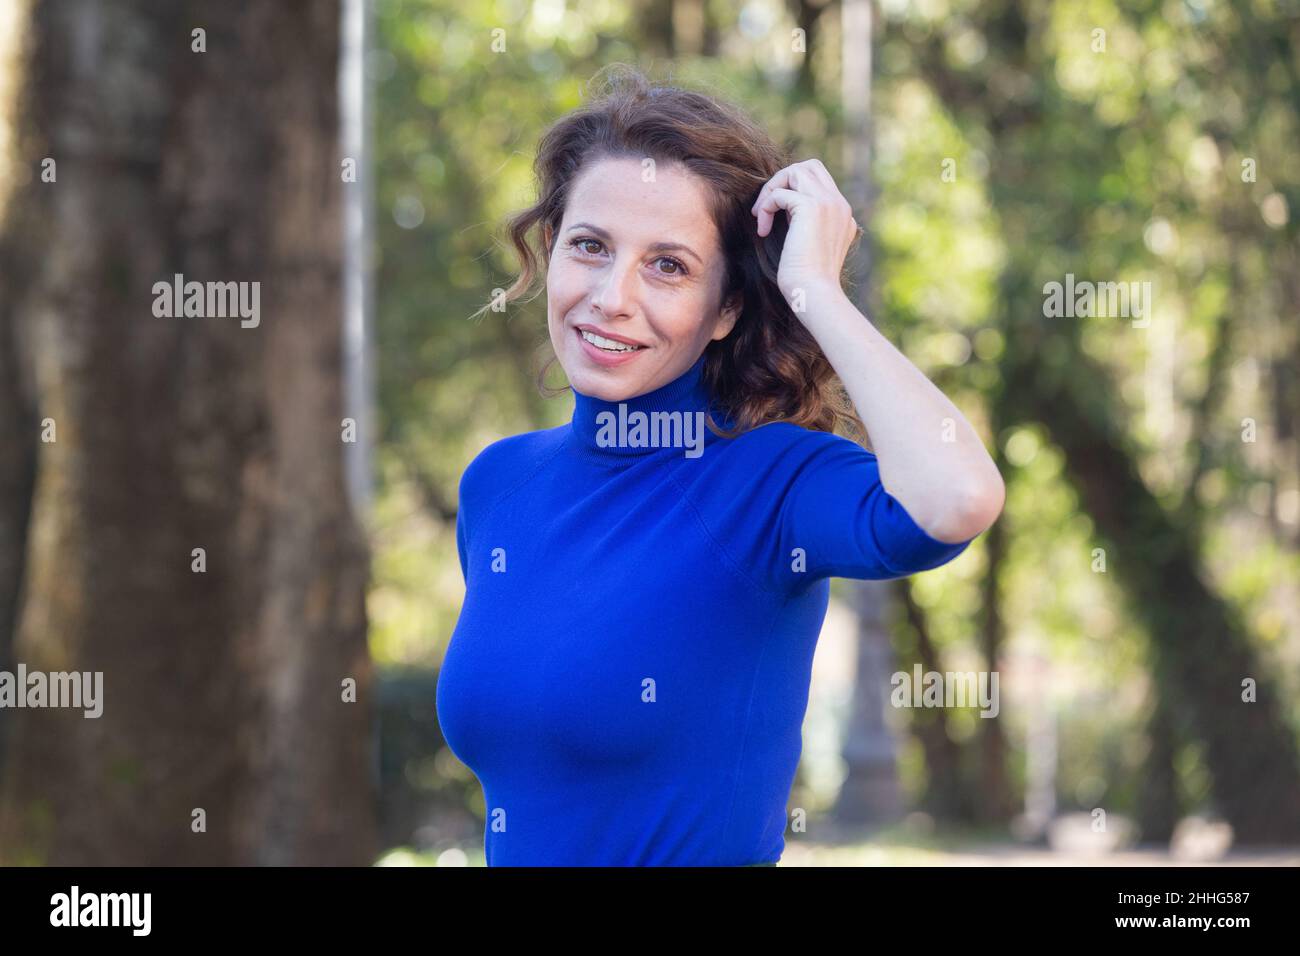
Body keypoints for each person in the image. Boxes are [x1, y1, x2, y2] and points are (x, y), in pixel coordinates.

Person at [436, 64, 1005, 867]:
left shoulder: (773, 483)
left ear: (727, 308)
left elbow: (960, 498)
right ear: (551, 254)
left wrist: (815, 289)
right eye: (590, 246)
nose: (611, 295)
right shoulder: (497, 485)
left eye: (667, 265)